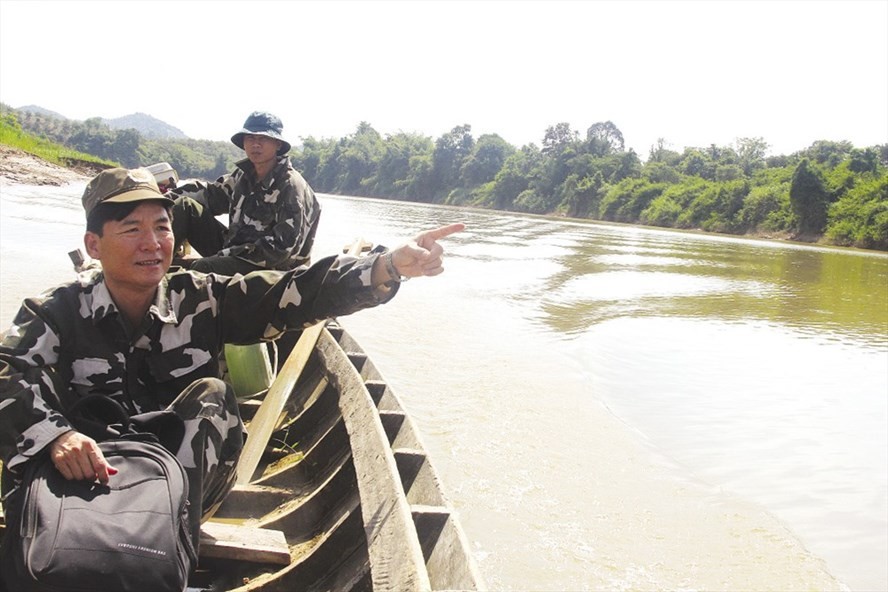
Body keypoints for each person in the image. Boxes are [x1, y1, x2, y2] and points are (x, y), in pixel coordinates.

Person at [0, 167, 462, 569]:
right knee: (27, 427)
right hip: (86, 477)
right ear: (93, 245)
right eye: (132, 229)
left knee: (214, 400)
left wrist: (386, 267)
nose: (153, 243)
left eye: (162, 227)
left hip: (172, 490)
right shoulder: (55, 311)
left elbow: (292, 291)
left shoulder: (201, 296)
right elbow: (8, 370)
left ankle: (164, 542)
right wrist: (55, 435)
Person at [169, 111, 321, 275]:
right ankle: (154, 264)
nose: (256, 144)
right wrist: (160, 201)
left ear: (277, 144)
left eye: (262, 138)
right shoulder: (243, 177)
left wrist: (224, 256)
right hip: (236, 253)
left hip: (275, 271)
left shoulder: (290, 187)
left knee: (203, 268)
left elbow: (281, 250)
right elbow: (211, 195)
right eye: (250, 138)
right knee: (184, 207)